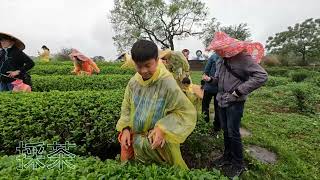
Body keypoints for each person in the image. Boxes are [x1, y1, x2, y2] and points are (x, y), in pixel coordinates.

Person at [116, 40, 197, 169]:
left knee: (166, 172)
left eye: (148, 65)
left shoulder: (167, 82)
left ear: (157, 60)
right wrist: (125, 128)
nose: (143, 71)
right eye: (138, 66)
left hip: (160, 145)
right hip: (138, 144)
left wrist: (162, 127)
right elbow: (126, 107)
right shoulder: (133, 83)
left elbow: (184, 112)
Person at [206, 32, 268, 177]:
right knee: (226, 131)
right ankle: (227, 156)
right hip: (221, 100)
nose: (216, 52)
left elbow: (262, 76)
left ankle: (238, 163)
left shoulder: (242, 58)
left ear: (227, 47)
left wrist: (239, 92)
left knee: (233, 132)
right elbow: (219, 79)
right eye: (215, 49)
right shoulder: (220, 60)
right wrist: (211, 80)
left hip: (235, 102)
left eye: (219, 49)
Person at [202, 53, 221, 133]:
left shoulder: (213, 56)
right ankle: (217, 127)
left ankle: (204, 124)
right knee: (218, 108)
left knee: (205, 106)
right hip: (220, 88)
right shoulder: (227, 57)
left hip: (209, 86)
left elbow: (206, 70)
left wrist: (203, 82)